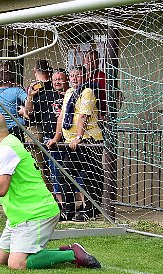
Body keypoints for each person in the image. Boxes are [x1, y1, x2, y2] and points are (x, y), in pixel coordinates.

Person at [0, 113, 101, 270]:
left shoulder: (5, 150)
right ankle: (62, 251)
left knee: (17, 264)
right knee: (1, 260)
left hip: (36, 213)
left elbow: (0, 188)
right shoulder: (8, 144)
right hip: (20, 215)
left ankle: (71, 254)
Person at [47, 66, 104, 222]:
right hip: (70, 142)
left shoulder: (87, 92)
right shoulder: (69, 93)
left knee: (90, 177)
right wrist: (56, 137)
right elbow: (62, 117)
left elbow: (83, 116)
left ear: (84, 76)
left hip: (88, 141)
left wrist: (79, 137)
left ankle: (91, 210)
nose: (74, 78)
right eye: (71, 75)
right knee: (65, 174)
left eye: (77, 75)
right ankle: (68, 210)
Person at [44, 69, 69, 212]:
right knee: (55, 172)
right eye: (55, 80)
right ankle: (61, 204)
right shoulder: (47, 96)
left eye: (60, 79)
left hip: (67, 139)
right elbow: (30, 113)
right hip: (50, 138)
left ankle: (79, 203)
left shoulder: (72, 95)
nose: (57, 82)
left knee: (72, 172)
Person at [0, 70, 27, 142]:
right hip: (15, 129)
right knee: (17, 152)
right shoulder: (17, 91)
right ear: (9, 82)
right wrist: (24, 110)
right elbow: (28, 100)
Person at [83, 50, 106, 120]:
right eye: (88, 59)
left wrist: (107, 115)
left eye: (94, 59)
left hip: (99, 118)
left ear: (99, 62)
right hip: (83, 116)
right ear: (84, 61)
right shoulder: (80, 76)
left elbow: (119, 96)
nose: (91, 62)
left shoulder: (104, 77)